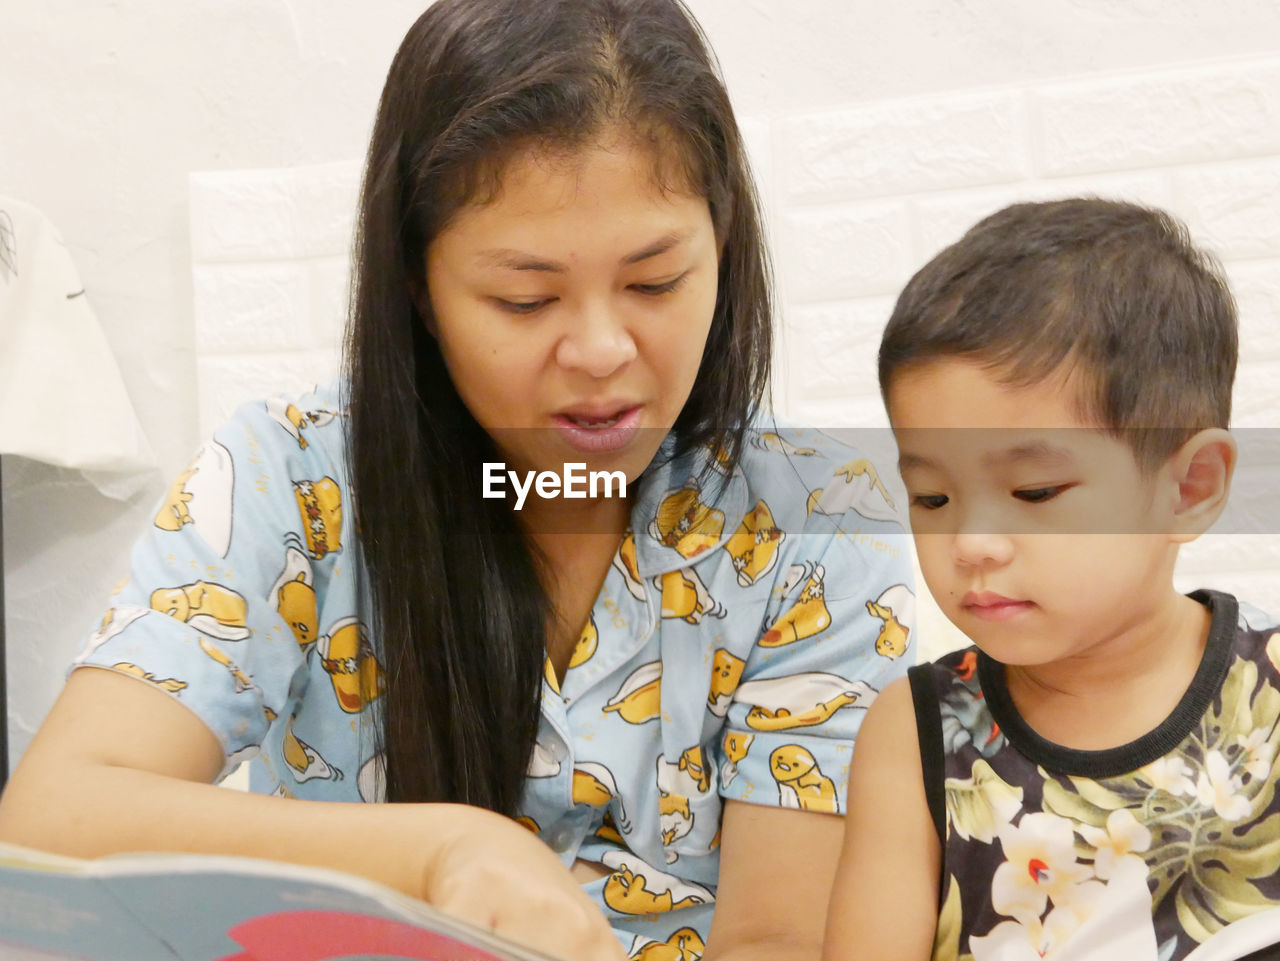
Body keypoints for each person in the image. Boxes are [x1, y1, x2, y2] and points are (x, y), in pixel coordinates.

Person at [0, 2, 913, 960]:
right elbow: (50, 817)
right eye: (525, 298)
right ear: (418, 290)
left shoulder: (819, 518)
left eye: (655, 282)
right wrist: (441, 848)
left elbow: (782, 940)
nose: (603, 350)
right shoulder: (292, 479)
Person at [822, 198, 1280, 961]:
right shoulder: (918, 735)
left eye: (1033, 492)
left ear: (1190, 487)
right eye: (932, 497)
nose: (970, 542)